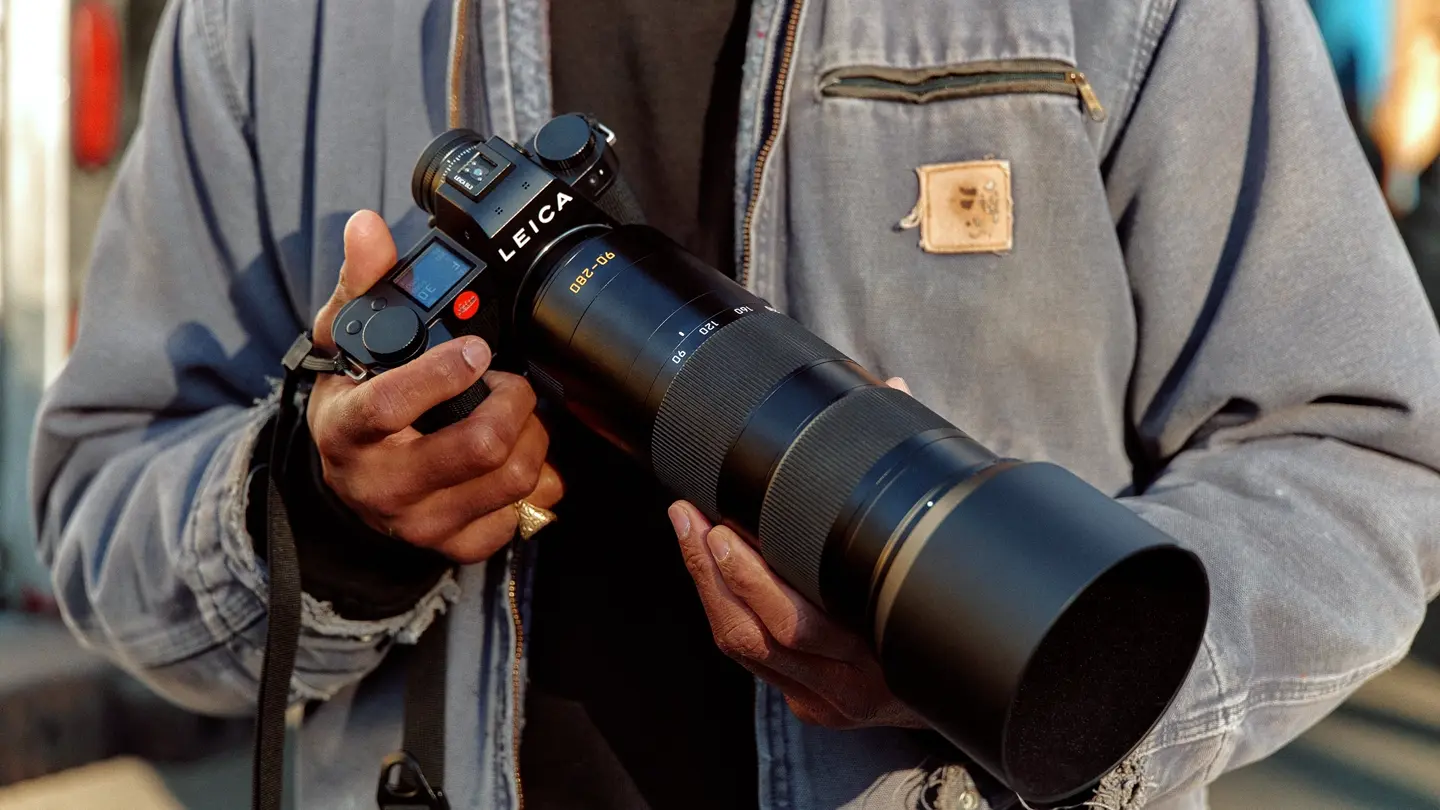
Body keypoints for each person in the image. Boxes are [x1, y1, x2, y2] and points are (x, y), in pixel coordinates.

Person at [30, 0, 1440, 808]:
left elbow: (1364, 457)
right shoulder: (281, 25)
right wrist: (324, 515)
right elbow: (106, 499)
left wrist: (1034, 683)